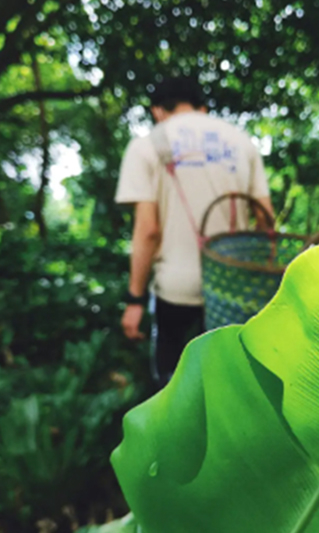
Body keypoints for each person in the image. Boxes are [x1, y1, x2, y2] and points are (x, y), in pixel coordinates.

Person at [114, 76, 274, 387]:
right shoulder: (241, 142)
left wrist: (135, 299)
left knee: (172, 386)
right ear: (202, 108)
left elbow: (148, 230)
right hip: (231, 287)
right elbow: (266, 222)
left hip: (176, 290)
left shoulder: (147, 145)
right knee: (228, 383)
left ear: (157, 110)